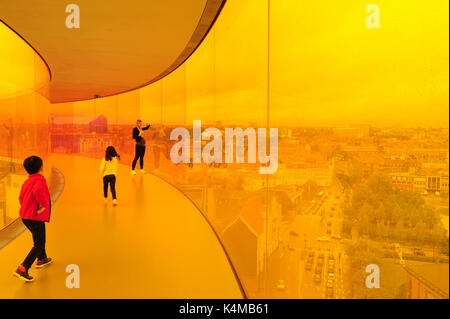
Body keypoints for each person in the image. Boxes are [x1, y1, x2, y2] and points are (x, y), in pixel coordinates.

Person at [13, 156, 52, 282]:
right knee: (39, 243)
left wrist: (28, 207)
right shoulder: (40, 181)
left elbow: (21, 198)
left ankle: (42, 258)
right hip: (35, 216)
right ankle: (23, 268)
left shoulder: (27, 182)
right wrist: (44, 206)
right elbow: (40, 194)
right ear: (41, 167)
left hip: (26, 216)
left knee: (37, 237)